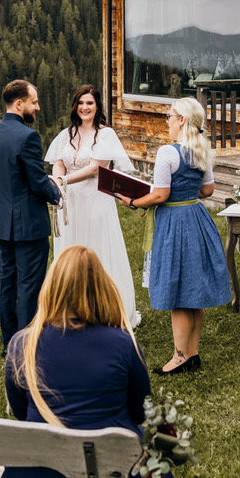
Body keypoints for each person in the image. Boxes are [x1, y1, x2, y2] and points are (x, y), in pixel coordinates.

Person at [1, 246, 178, 478]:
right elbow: (141, 412)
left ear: (51, 286)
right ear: (101, 287)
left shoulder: (22, 345)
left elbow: (21, 413)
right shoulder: (123, 344)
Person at [115, 97, 231, 375]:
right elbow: (208, 190)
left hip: (175, 224)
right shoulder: (201, 149)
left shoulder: (168, 153)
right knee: (195, 288)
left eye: (170, 115)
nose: (167, 120)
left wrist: (132, 202)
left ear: (182, 120)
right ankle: (193, 353)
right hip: (197, 219)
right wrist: (187, 190)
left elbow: (160, 194)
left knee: (179, 291)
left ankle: (180, 357)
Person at [45, 84, 139, 327]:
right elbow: (58, 161)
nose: (84, 107)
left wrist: (64, 180)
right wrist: (58, 178)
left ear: (97, 106)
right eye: (80, 103)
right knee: (70, 248)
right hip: (69, 201)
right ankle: (73, 306)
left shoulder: (105, 134)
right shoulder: (67, 133)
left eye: (89, 103)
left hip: (95, 199)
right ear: (75, 106)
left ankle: (105, 308)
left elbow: (96, 167)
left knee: (96, 248)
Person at [0, 79, 62, 350]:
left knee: (7, 281)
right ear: (19, 104)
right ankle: (26, 345)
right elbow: (38, 182)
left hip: (1, 221)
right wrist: (57, 193)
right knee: (29, 285)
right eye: (34, 102)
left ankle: (8, 342)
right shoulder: (28, 137)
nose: (37, 108)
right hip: (28, 223)